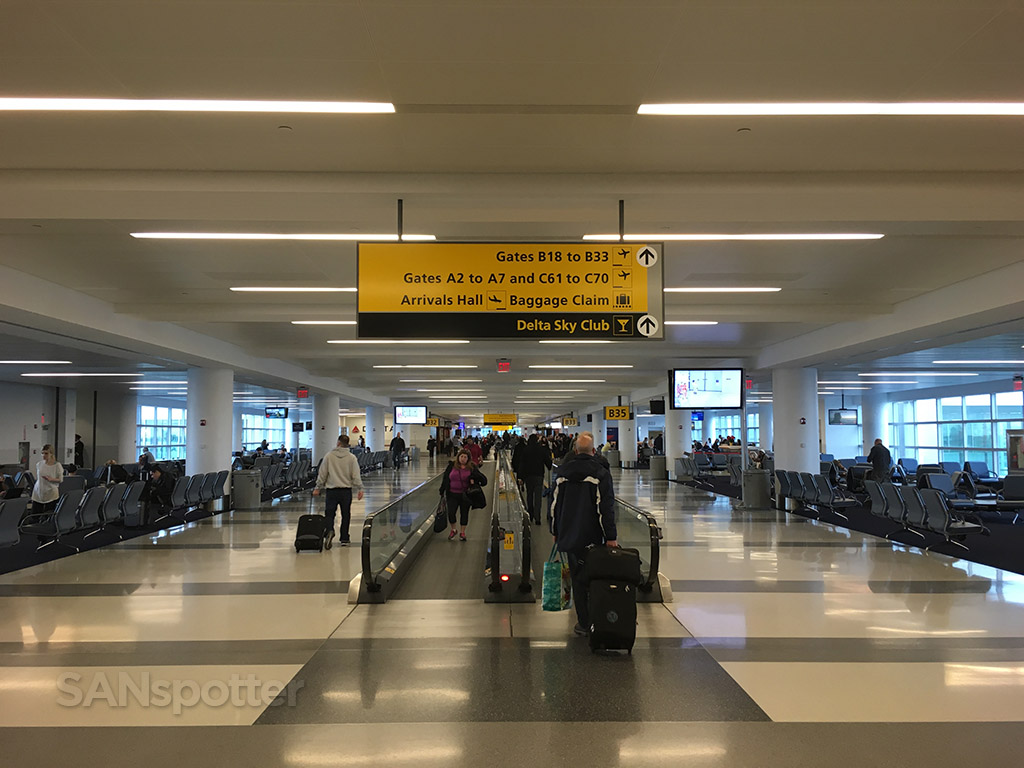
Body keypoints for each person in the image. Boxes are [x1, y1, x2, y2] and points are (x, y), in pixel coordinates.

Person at [551, 431, 617, 637]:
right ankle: (600, 619)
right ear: (594, 451)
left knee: (577, 579)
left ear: (575, 450)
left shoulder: (562, 473)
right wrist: (611, 536)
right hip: (593, 536)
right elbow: (605, 508)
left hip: (570, 534)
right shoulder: (600, 474)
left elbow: (554, 505)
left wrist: (556, 530)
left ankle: (584, 622)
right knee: (596, 577)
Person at [313, 434, 364, 548]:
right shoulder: (352, 458)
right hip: (346, 491)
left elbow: (323, 473)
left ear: (338, 443)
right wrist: (360, 488)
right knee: (346, 514)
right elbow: (355, 475)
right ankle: (344, 538)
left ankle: (330, 530)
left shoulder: (329, 456)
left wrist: (318, 487)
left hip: (332, 491)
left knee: (330, 514)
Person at [439, 448, 486, 542]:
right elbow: (446, 479)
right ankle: (453, 529)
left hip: (465, 495)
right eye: (461, 456)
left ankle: (462, 532)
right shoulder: (451, 466)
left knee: (464, 513)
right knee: (451, 512)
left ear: (468, 459)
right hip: (452, 494)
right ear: (458, 457)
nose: (463, 459)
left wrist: (474, 478)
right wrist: (442, 490)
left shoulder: (472, 468)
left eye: (465, 457)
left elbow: (484, 481)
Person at [520, 434, 552, 525]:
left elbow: (522, 464)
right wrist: (549, 466)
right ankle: (538, 518)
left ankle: (530, 514)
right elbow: (548, 461)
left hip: (528, 476)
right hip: (539, 476)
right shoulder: (541, 449)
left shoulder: (525, 450)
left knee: (529, 495)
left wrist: (521, 477)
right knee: (538, 497)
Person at [31, 444, 64, 514]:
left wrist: (51, 479)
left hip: (51, 492)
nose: (43, 455)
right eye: (42, 453)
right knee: (35, 515)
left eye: (46, 453)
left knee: (48, 515)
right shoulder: (39, 464)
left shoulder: (57, 465)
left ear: (51, 454)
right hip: (38, 491)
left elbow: (60, 479)